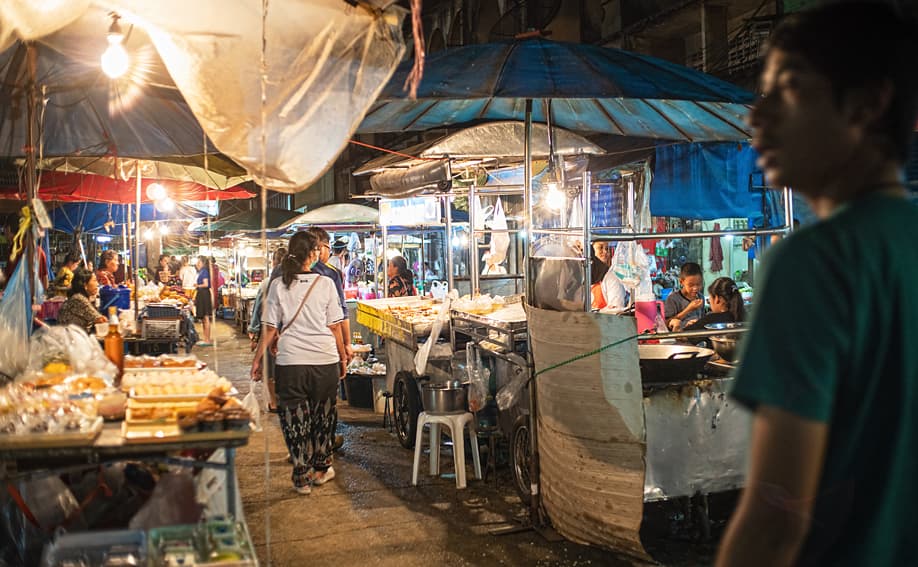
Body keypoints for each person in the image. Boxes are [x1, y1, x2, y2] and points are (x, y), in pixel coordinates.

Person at [716, 5, 918, 567]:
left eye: (790, 88)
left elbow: (778, 519)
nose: (759, 115)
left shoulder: (814, 261)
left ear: (867, 103)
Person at [250, 231, 347, 495]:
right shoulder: (325, 284)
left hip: (290, 362)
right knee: (323, 415)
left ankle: (301, 474)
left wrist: (257, 360)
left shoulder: (278, 285)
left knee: (293, 417)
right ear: (313, 254)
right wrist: (342, 356)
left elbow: (269, 329)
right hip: (323, 360)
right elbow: (335, 327)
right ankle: (321, 468)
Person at [248, 247, 287, 412]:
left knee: (269, 367)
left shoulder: (267, 283)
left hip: (269, 329)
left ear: (273, 262)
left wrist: (254, 333)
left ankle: (273, 402)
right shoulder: (290, 282)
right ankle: (283, 398)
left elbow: (258, 310)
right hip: (286, 330)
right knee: (282, 365)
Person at [58, 268, 106, 333]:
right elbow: (101, 320)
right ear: (85, 285)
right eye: (94, 280)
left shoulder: (79, 297)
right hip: (71, 339)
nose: (97, 284)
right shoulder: (78, 299)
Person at [663, 262, 704, 331]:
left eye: (699, 284)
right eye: (691, 285)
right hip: (679, 337)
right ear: (681, 282)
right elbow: (666, 323)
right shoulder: (673, 298)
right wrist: (688, 309)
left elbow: (702, 318)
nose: (695, 288)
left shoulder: (700, 297)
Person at [194, 256, 213, 346]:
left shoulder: (204, 271)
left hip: (204, 295)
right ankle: (205, 338)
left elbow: (206, 284)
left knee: (206, 317)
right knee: (203, 319)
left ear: (202, 263)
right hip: (201, 294)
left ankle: (207, 339)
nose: (197, 264)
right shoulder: (201, 271)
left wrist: (197, 285)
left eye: (199, 262)